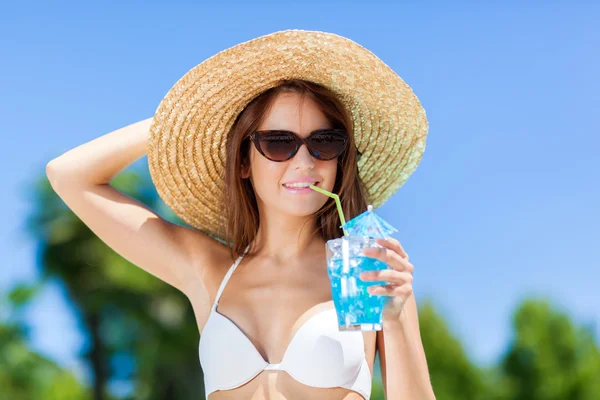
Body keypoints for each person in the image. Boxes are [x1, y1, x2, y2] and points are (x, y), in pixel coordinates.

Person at [46, 30, 435, 400]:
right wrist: (183, 120)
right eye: (278, 142)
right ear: (243, 162)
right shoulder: (207, 269)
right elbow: (69, 176)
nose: (304, 162)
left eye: (323, 142)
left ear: (339, 159)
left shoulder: (363, 271)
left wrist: (396, 320)